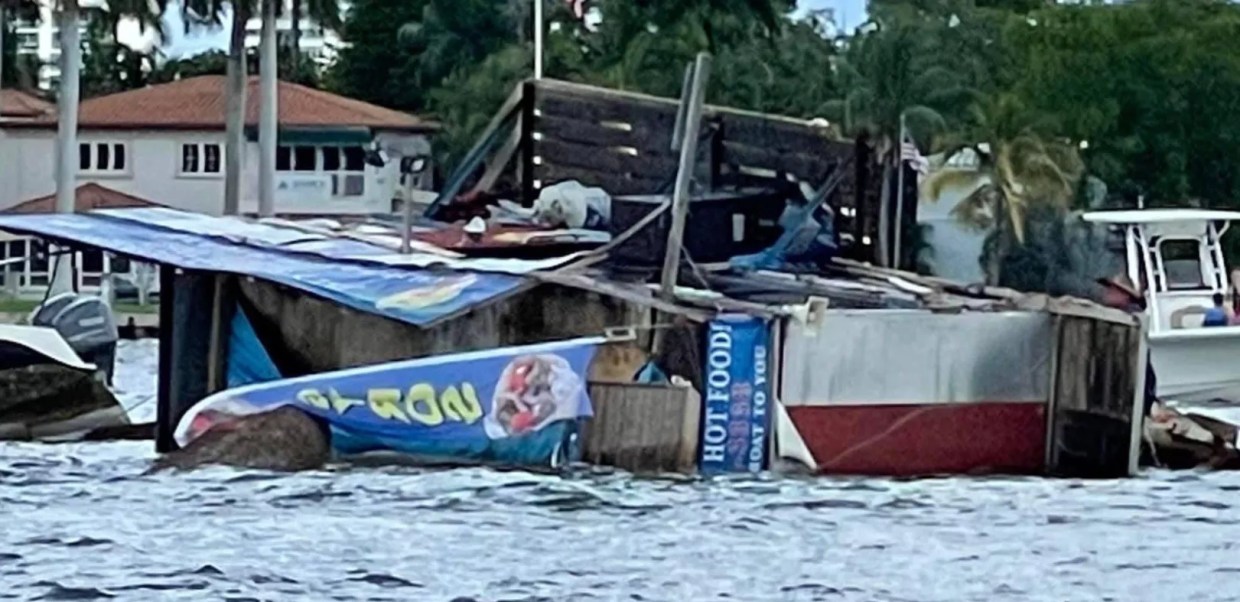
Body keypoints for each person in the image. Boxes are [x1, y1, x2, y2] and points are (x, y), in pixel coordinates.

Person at [1097, 273, 1158, 416]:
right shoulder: (1113, 317)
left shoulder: (1131, 319)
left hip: (1129, 387)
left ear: (1125, 295)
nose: (1108, 293)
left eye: (1113, 290)